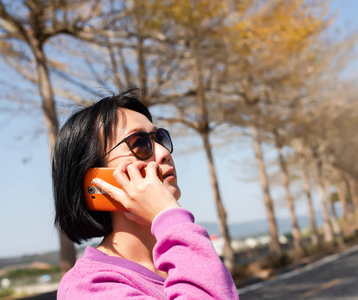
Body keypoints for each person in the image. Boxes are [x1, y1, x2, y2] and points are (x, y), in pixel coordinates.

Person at [52, 87, 238, 299]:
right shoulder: (88, 287)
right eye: (139, 144)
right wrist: (169, 216)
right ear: (94, 180)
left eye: (160, 138)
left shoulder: (182, 263)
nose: (164, 153)